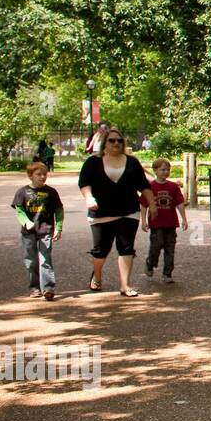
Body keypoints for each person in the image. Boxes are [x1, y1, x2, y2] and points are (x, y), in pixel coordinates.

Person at [78, 127, 156, 298]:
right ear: (104, 143)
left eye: (119, 141)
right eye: (112, 140)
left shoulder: (132, 162)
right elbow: (84, 183)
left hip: (128, 211)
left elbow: (144, 185)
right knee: (100, 251)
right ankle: (97, 277)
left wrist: (152, 204)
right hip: (101, 213)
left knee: (126, 248)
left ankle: (125, 285)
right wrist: (89, 198)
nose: (116, 143)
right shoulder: (93, 162)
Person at [12, 161, 64, 300]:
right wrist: (26, 222)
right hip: (28, 232)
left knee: (45, 259)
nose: (42, 177)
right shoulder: (22, 192)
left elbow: (59, 211)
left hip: (46, 230)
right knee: (31, 260)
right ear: (30, 176)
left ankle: (48, 288)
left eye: (44, 174)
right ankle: (34, 288)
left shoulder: (51, 192)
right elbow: (19, 210)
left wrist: (58, 228)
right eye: (38, 174)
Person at [143, 158, 187, 282]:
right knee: (156, 246)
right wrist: (144, 221)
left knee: (170, 248)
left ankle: (167, 273)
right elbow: (143, 204)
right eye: (162, 170)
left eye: (168, 170)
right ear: (155, 171)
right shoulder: (150, 187)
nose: (165, 172)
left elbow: (179, 203)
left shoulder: (173, 187)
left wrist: (184, 218)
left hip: (170, 222)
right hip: (156, 223)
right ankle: (150, 263)